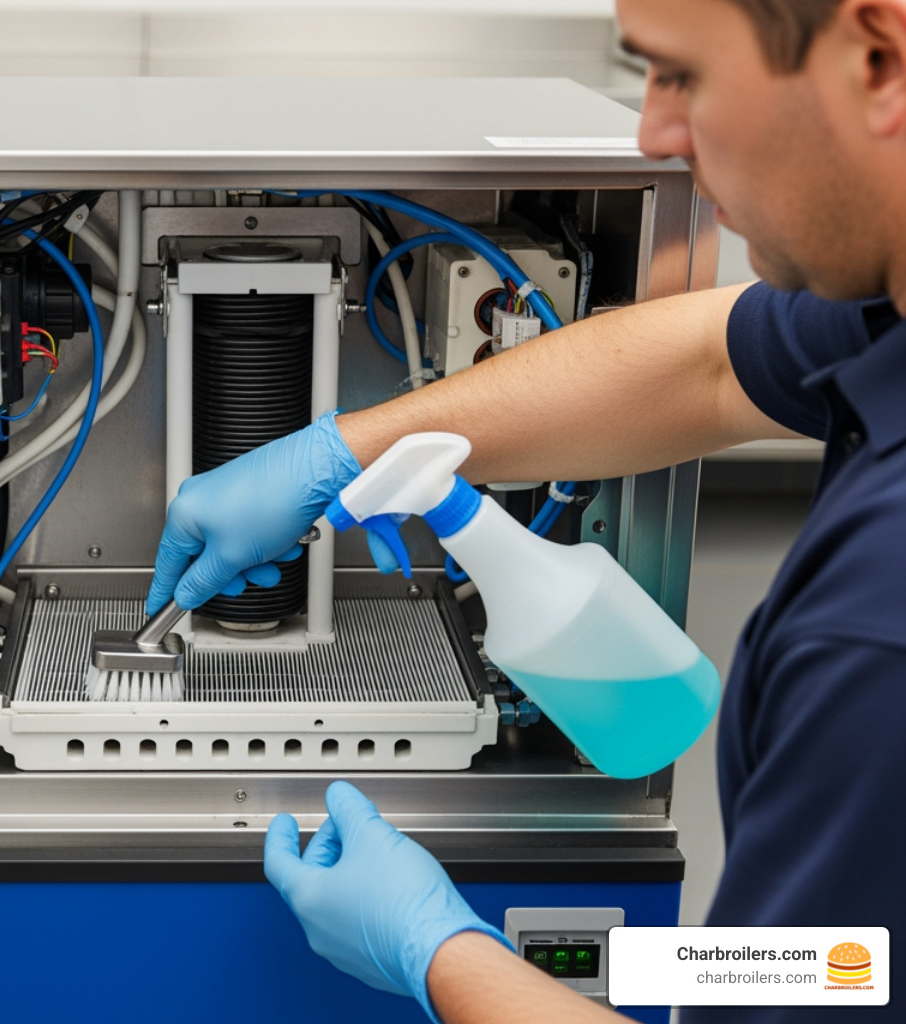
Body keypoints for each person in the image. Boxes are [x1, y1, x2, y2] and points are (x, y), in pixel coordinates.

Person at [144, 0, 906, 1020]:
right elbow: (712, 361)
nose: (652, 135)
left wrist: (441, 953)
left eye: (680, 75)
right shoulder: (880, 311)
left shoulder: (872, 634)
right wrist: (342, 450)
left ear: (881, 57)